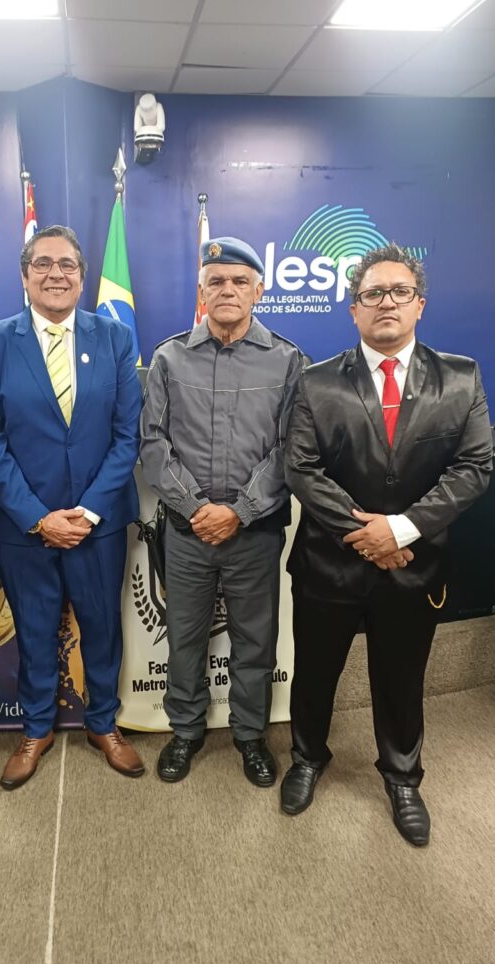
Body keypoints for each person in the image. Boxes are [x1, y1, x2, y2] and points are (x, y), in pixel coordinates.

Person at [282, 243, 493, 846]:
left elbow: (473, 467)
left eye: (400, 291)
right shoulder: (316, 381)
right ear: (354, 309)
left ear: (420, 304)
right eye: (372, 294)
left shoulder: (461, 377)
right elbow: (301, 469)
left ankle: (402, 777)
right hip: (327, 565)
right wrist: (368, 534)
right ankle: (307, 758)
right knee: (314, 673)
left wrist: (400, 531)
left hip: (413, 566)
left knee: (402, 679)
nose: (386, 303)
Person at [0, 224, 144, 788]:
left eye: (67, 264)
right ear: (25, 276)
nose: (55, 274)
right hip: (25, 527)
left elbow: (127, 437)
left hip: (98, 525)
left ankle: (103, 724)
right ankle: (36, 728)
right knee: (35, 630)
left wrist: (86, 512)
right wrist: (38, 517)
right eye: (42, 264)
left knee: (102, 628)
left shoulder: (115, 338)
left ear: (82, 278)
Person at [140, 237, 302, 785]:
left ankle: (250, 735)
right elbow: (153, 444)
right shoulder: (169, 357)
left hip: (254, 534)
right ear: (201, 293)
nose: (227, 290)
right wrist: (197, 508)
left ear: (259, 290)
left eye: (239, 281)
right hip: (188, 534)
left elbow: (291, 449)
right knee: (184, 637)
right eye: (216, 281)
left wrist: (241, 510)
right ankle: (185, 731)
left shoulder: (287, 360)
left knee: (254, 641)